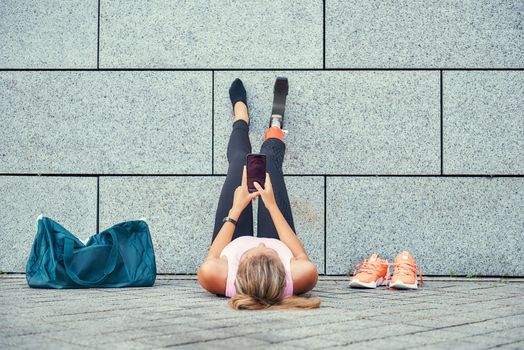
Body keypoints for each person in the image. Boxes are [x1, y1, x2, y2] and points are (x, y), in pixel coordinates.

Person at [197, 78, 320, 310]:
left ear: (238, 271)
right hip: (278, 240)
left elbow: (211, 259)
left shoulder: (217, 276)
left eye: (254, 252)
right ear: (283, 274)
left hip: (233, 238)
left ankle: (241, 117)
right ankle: (275, 124)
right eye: (270, 254)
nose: (262, 245)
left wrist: (236, 210)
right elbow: (301, 257)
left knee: (239, 164)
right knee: (269, 163)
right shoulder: (301, 276)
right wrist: (271, 205)